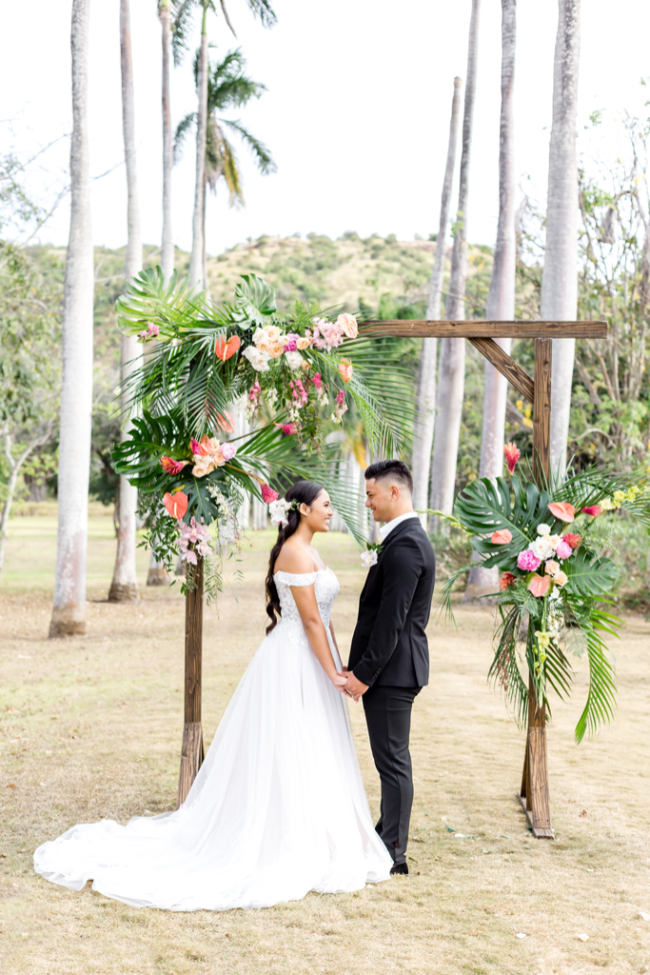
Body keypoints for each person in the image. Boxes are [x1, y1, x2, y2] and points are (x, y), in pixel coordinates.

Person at [34, 481, 392, 911]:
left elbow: (325, 617)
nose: (332, 512)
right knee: (292, 741)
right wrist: (332, 670)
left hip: (317, 658)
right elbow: (310, 622)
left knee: (315, 743)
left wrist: (338, 662)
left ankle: (322, 831)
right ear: (303, 509)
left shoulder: (312, 550)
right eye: (327, 505)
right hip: (297, 660)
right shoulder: (295, 553)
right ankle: (289, 836)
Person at [343, 460, 436, 875]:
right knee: (391, 759)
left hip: (392, 672)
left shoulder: (405, 546)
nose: (367, 503)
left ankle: (393, 853)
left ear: (394, 493)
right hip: (394, 670)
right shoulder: (402, 540)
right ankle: (387, 836)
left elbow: (391, 622)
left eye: (371, 495)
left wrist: (364, 674)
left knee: (393, 762)